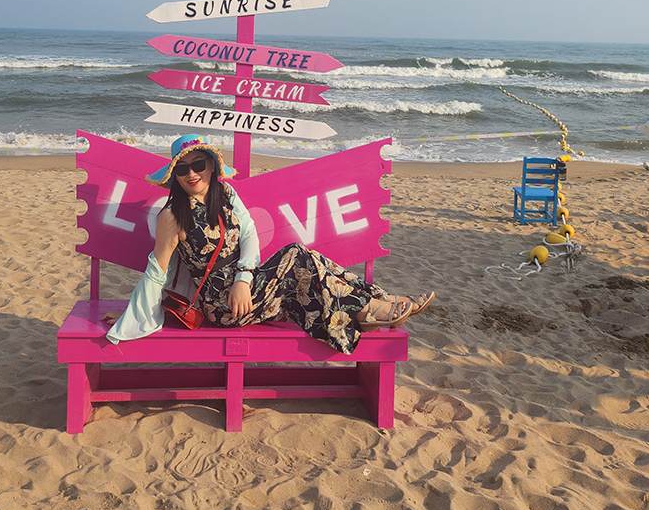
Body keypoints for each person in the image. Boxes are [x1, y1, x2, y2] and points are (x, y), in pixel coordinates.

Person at [104, 134, 435, 356]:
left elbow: (248, 234)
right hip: (222, 304)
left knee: (308, 263)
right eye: (183, 168)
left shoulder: (226, 194)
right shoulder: (171, 217)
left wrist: (243, 279)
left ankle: (376, 303)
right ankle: (371, 307)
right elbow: (157, 271)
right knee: (295, 254)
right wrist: (132, 315)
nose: (192, 174)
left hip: (246, 287)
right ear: (174, 174)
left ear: (211, 166)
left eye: (198, 165)